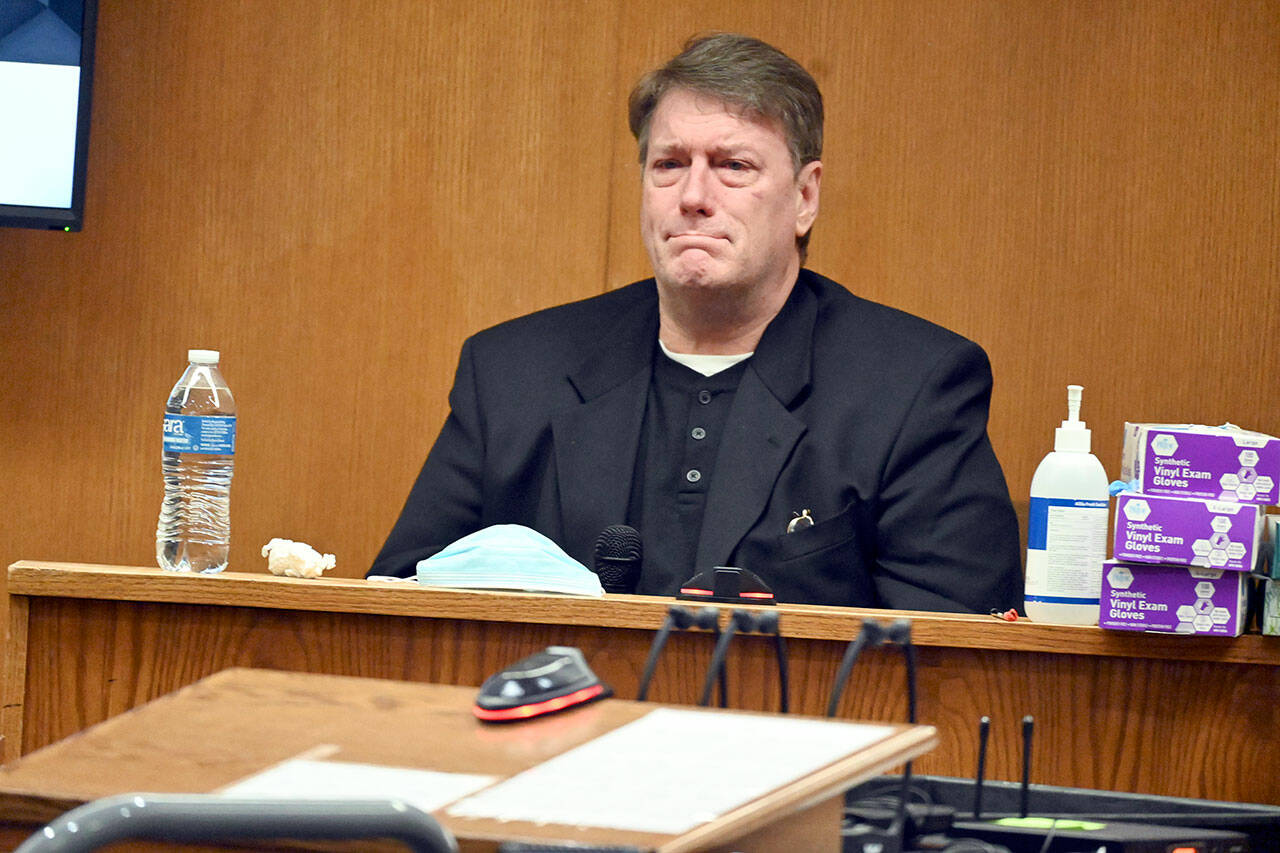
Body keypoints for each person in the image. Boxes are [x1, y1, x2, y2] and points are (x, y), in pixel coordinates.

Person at [370, 33, 1023, 613]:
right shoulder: (514, 373)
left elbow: (955, 663)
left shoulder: (913, 386)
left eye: (733, 166)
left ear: (804, 197)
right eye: (669, 164)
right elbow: (396, 606)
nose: (692, 196)